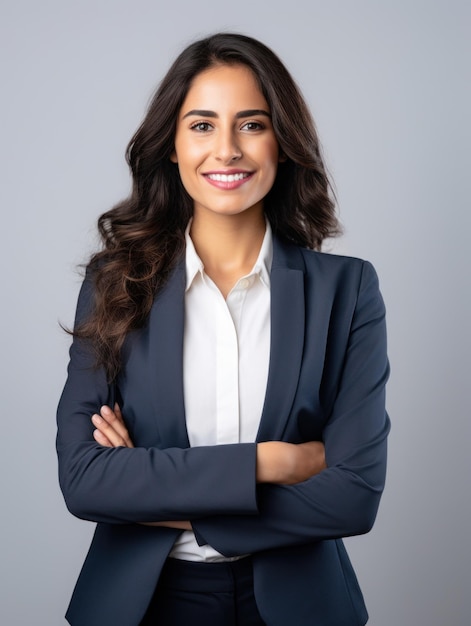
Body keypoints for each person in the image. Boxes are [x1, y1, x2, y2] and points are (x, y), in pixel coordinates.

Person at [57, 33, 390, 626]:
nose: (228, 150)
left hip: (299, 605)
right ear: (173, 146)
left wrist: (153, 491)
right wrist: (270, 463)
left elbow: (353, 497)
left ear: (282, 143)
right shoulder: (114, 285)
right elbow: (85, 480)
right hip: (143, 603)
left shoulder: (348, 290)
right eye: (203, 126)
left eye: (252, 125)